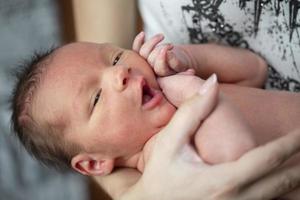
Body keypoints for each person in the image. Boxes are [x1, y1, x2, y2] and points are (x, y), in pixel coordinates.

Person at [11, 35, 300, 198]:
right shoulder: (162, 158)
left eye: (115, 57)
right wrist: (192, 92)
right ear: (94, 162)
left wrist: (190, 59)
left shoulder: (171, 82)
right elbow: (238, 154)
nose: (118, 73)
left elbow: (255, 70)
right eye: (96, 98)